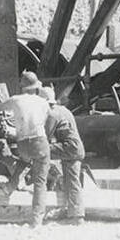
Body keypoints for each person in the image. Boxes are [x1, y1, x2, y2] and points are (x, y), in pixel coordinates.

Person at [0, 71, 51, 227]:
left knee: (24, 161)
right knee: (40, 182)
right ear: (35, 87)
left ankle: (9, 187)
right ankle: (36, 220)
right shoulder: (43, 102)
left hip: (22, 143)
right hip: (39, 142)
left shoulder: (15, 100)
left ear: (22, 86)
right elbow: (46, 120)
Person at [40, 86, 86, 225]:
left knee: (40, 149)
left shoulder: (52, 114)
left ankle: (78, 217)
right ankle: (72, 213)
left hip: (70, 149)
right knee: (71, 180)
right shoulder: (64, 110)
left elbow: (44, 137)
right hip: (73, 148)